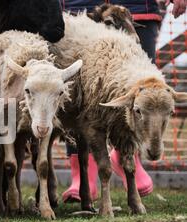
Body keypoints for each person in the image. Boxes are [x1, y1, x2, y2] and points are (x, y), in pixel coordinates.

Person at [60, 0, 186, 203]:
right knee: (77, 94)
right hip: (78, 8)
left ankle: (127, 157)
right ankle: (82, 174)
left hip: (135, 8)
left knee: (140, 88)